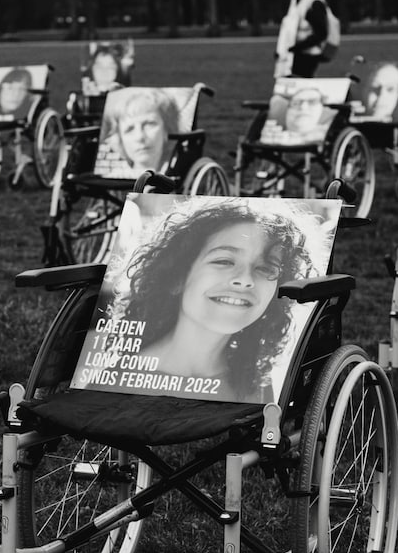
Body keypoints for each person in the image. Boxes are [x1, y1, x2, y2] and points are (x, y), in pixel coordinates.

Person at [112, 200, 322, 402]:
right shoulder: (118, 382)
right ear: (177, 277)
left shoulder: (254, 384)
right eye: (224, 261)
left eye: (266, 268)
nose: (245, 280)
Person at [100, 88, 181, 177]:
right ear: (120, 140)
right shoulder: (110, 179)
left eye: (149, 124)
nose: (140, 137)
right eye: (129, 129)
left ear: (167, 129)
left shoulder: (183, 176)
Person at [274, 0, 329, 78]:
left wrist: (298, 47)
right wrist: (281, 49)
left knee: (302, 86)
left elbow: (321, 33)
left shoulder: (314, 0)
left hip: (308, 55)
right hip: (294, 54)